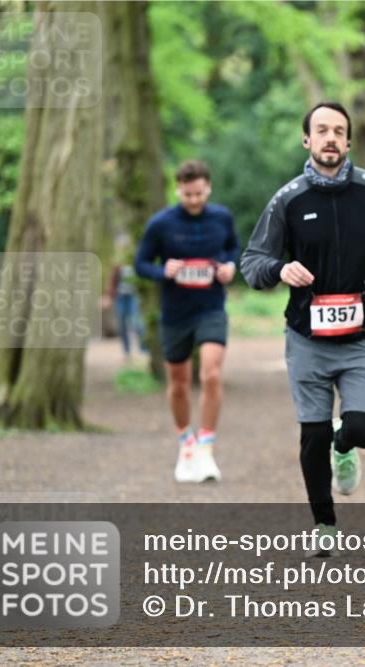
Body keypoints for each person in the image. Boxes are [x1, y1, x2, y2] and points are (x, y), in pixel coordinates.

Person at [240, 102, 365, 555]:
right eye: (321, 130)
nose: (331, 138)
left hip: (363, 334)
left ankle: (344, 445)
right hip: (307, 337)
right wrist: (280, 269)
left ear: (348, 141)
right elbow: (252, 264)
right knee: (311, 435)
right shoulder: (287, 199)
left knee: (364, 428)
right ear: (307, 140)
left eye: (339, 131)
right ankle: (325, 524)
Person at [135, 160, 239, 484]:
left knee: (210, 373)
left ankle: (206, 445)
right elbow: (140, 263)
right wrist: (161, 271)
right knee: (178, 383)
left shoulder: (221, 217)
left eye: (198, 193)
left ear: (208, 188)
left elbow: (233, 247)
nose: (194, 200)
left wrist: (230, 266)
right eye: (187, 194)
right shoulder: (161, 223)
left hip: (211, 308)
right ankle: (186, 443)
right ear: (177, 189)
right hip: (175, 313)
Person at [105, 261, 146, 362]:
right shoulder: (117, 265)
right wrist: (108, 297)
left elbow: (140, 281)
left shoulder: (135, 261)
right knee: (122, 326)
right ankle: (127, 352)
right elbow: (112, 282)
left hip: (132, 297)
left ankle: (144, 349)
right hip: (120, 298)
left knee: (138, 323)